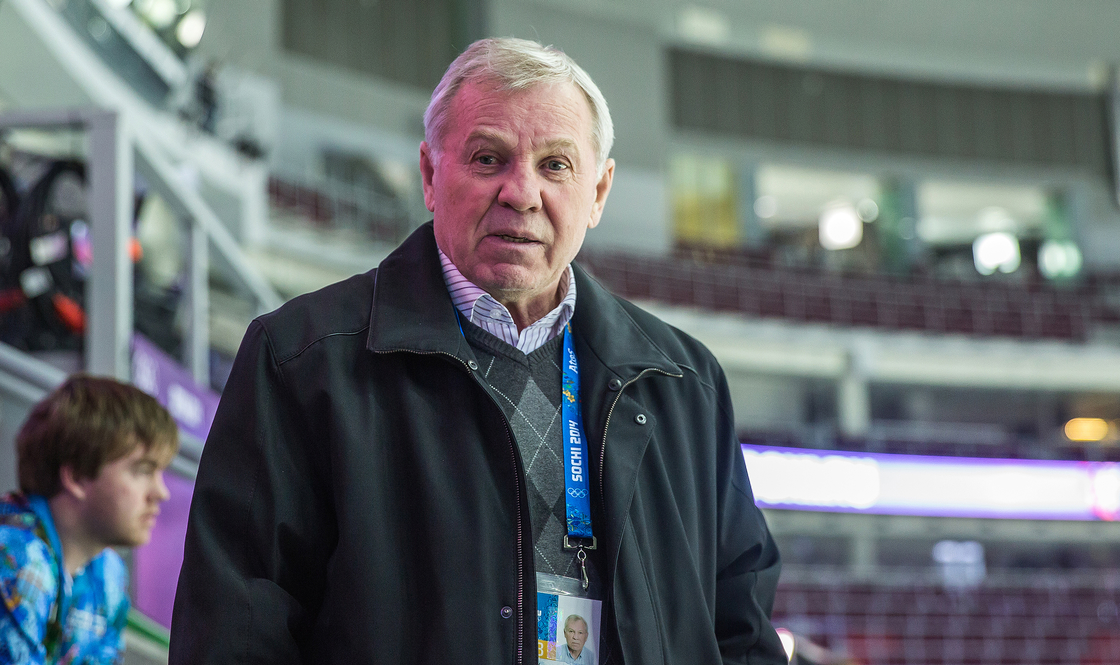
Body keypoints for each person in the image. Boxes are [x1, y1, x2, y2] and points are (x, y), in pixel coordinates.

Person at [171, 37, 787, 664]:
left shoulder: (683, 382)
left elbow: (742, 629)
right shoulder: (301, 361)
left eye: (555, 165)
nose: (521, 193)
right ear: (430, 175)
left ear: (599, 193)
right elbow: (234, 635)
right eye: (488, 159)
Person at [0, 375, 178, 664]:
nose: (161, 493)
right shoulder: (16, 560)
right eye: (143, 471)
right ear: (78, 476)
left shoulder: (108, 572)